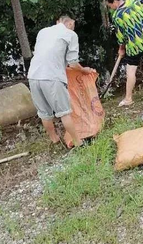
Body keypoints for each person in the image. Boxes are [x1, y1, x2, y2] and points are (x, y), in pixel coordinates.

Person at [28, 15, 94, 147]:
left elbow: (42, 54)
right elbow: (73, 63)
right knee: (64, 112)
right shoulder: (70, 34)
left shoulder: (43, 31)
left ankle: (54, 139)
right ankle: (78, 142)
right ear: (70, 23)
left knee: (44, 113)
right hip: (52, 77)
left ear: (57, 22)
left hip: (33, 76)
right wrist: (84, 70)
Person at [105, 0, 143, 107]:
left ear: (114, 2)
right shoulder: (135, 1)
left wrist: (121, 49)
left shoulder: (117, 15)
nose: (110, 8)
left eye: (110, 5)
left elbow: (121, 37)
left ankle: (128, 98)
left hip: (135, 45)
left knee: (130, 70)